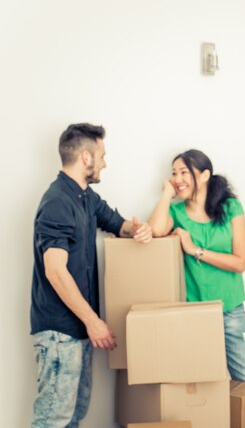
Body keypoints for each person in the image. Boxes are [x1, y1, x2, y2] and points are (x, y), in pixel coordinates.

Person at [30, 123, 153, 427]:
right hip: (60, 332)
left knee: (73, 417)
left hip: (79, 330)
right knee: (52, 420)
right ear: (86, 157)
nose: (105, 163)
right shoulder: (57, 201)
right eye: (102, 155)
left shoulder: (87, 198)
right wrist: (93, 322)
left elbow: (119, 225)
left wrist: (140, 230)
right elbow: (55, 271)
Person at [148, 149, 245, 428]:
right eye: (174, 172)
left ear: (204, 175)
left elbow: (240, 262)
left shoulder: (230, 208)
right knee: (199, 389)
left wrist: (194, 250)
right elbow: (154, 231)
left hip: (230, 311)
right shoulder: (176, 212)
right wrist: (167, 194)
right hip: (193, 315)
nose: (177, 178)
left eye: (183, 172)